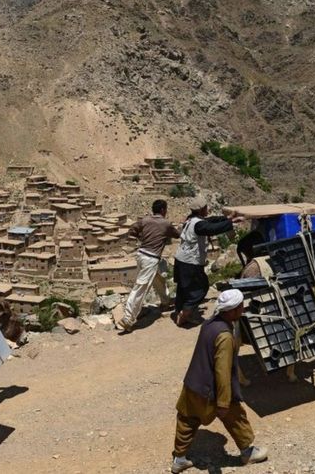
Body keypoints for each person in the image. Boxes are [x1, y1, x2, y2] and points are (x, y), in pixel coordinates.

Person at [171, 289, 268, 473]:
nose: (243, 309)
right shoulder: (224, 336)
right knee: (236, 417)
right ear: (232, 310)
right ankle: (247, 453)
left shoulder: (208, 324)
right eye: (240, 306)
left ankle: (179, 459)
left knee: (187, 419)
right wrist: (224, 402)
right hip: (211, 391)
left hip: (193, 384)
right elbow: (222, 372)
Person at [173, 195, 242, 326]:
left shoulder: (191, 219)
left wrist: (227, 218)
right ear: (201, 209)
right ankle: (185, 313)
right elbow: (212, 228)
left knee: (183, 288)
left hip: (180, 260)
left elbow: (211, 220)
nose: (207, 209)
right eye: (206, 207)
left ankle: (180, 311)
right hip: (190, 262)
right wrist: (231, 223)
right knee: (201, 287)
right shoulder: (199, 225)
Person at [118, 199, 180, 332]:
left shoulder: (145, 220)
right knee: (141, 288)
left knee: (158, 279)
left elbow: (132, 229)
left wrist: (141, 237)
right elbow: (177, 235)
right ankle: (128, 318)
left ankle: (165, 301)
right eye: (166, 209)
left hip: (141, 255)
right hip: (150, 259)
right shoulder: (166, 223)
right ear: (163, 210)